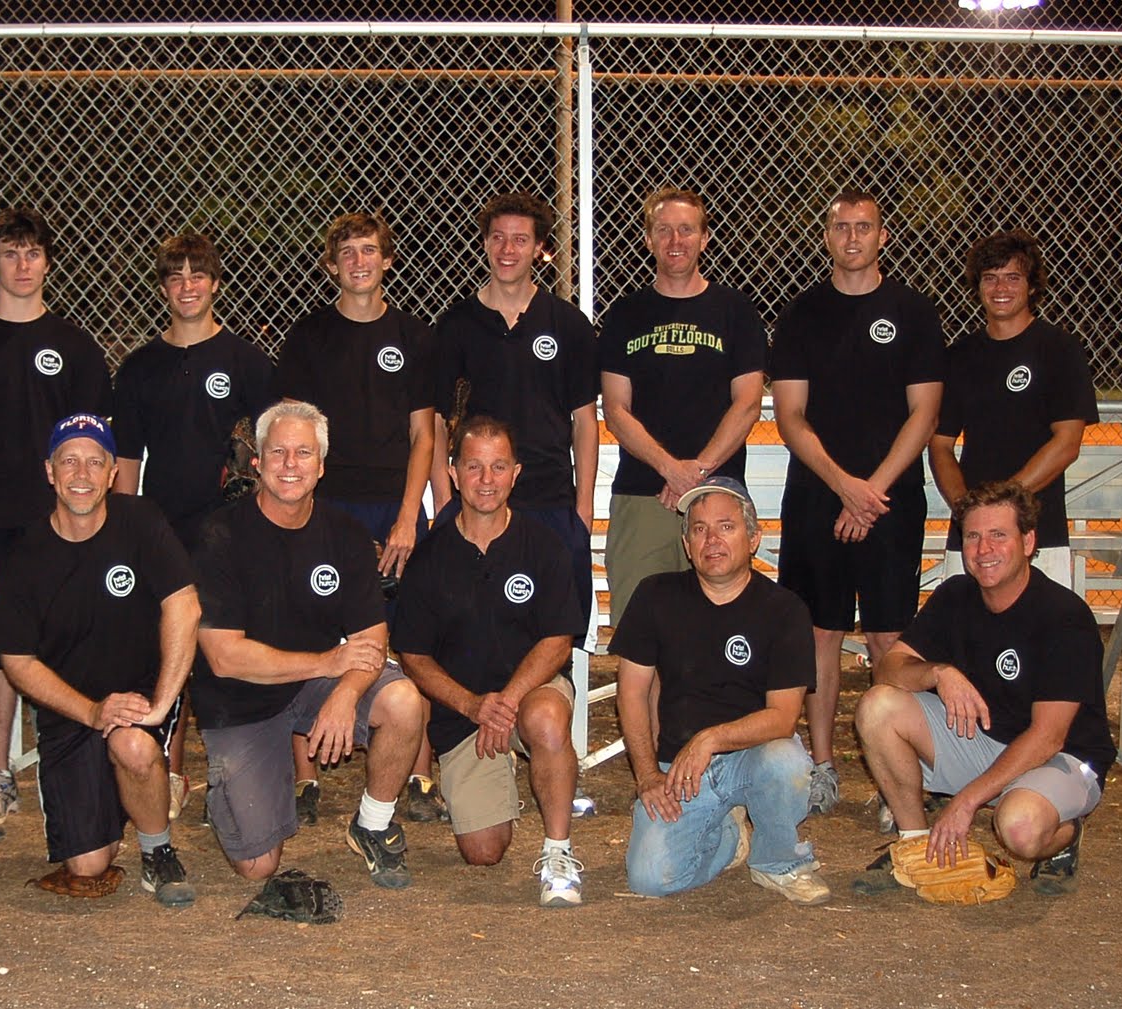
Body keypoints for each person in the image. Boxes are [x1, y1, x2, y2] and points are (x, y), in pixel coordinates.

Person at [192, 401, 426, 889]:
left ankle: (373, 825)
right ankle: (228, 785)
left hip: (317, 684)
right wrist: (327, 662)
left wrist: (343, 693)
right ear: (256, 462)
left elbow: (370, 639)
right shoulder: (219, 534)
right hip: (242, 701)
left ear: (321, 465)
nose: (290, 464)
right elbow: (223, 655)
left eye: (303, 453)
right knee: (259, 866)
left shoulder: (345, 534)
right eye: (278, 452)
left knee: (403, 700)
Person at [770, 190, 945, 814]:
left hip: (892, 501)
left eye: (863, 227)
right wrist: (845, 485)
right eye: (840, 227)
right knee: (819, 631)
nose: (851, 238)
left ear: (882, 236)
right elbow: (790, 416)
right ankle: (821, 768)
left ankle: (890, 770)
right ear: (826, 236)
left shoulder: (913, 312)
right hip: (819, 498)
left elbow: (923, 414)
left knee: (888, 636)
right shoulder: (802, 314)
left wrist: (872, 492)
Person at [854, 481, 1114, 896]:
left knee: (1020, 829)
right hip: (985, 739)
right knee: (878, 707)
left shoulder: (1063, 616)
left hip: (1060, 757)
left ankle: (1065, 834)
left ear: (1028, 541)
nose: (983, 549)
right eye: (973, 536)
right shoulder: (956, 595)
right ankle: (917, 845)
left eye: (999, 535)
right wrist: (938, 672)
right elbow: (888, 669)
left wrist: (965, 802)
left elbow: (1047, 737)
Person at [0, 207, 112, 836]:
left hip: (58, 529)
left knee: (63, 645)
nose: (22, 265)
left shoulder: (75, 346)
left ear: (47, 262)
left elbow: (99, 452)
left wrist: (95, 522)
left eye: (32, 253)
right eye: (9, 253)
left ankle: (69, 766)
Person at [0, 414, 201, 906]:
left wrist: (160, 705)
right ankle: (121, 793)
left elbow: (184, 604)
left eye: (94, 462)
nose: (81, 475)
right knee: (88, 867)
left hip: (136, 699)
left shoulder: (142, 520)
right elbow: (16, 660)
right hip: (72, 711)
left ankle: (157, 850)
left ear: (112, 473)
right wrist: (89, 712)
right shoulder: (25, 554)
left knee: (132, 746)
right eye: (69, 462)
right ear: (49, 471)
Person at [274, 212, 443, 824]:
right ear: (331, 265)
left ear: (387, 259)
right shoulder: (309, 336)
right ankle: (305, 776)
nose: (358, 261)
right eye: (346, 252)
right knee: (312, 631)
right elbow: (293, 434)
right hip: (327, 507)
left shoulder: (415, 337)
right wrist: (307, 515)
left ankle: (419, 770)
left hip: (393, 506)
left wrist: (406, 518)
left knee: (407, 634)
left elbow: (424, 436)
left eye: (369, 250)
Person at [112, 233, 274, 821]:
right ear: (162, 288)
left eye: (197, 275)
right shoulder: (140, 368)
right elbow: (126, 463)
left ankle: (234, 772)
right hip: (164, 531)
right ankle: (173, 772)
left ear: (215, 283)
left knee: (229, 654)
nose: (187, 285)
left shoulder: (247, 363)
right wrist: (123, 536)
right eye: (175, 276)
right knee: (171, 653)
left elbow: (272, 451)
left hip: (232, 534)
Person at [394, 416, 587, 905]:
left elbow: (559, 641)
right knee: (483, 852)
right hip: (464, 712)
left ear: (516, 473)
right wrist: (473, 706)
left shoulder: (544, 547)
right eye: (474, 466)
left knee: (545, 719)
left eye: (498, 467)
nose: (486, 479)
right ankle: (510, 776)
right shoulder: (430, 556)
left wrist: (507, 701)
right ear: (454, 472)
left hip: (530, 692)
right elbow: (413, 656)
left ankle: (558, 851)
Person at [612, 477, 829, 905]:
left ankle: (779, 862)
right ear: (687, 544)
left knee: (787, 760)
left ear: (753, 537)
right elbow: (631, 694)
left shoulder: (785, 610)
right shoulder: (655, 596)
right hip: (678, 768)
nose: (712, 539)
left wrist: (709, 739)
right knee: (650, 880)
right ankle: (730, 835)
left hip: (752, 757)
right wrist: (647, 776)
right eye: (699, 529)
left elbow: (783, 716)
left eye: (726, 527)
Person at [430, 192, 599, 629]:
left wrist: (582, 509)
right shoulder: (457, 325)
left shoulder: (567, 323)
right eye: (499, 238)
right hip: (479, 498)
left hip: (549, 496)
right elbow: (433, 421)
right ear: (485, 243)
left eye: (520, 240)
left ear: (539, 248)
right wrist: (446, 501)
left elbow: (584, 421)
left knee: (555, 629)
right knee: (471, 625)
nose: (508, 250)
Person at [599, 188, 765, 627]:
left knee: (717, 632)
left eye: (686, 230)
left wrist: (697, 473)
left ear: (704, 238)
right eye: (664, 230)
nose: (675, 240)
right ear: (648, 239)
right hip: (643, 492)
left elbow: (748, 404)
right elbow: (616, 409)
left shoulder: (735, 311)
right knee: (642, 633)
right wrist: (670, 468)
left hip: (717, 491)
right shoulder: (625, 314)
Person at [930, 229, 1099, 589]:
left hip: (1038, 528)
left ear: (1032, 286)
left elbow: (1067, 442)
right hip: (972, 533)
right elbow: (940, 444)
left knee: (1040, 637)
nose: (1000, 288)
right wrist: (968, 508)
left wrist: (1004, 504)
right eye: (990, 278)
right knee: (965, 636)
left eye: (1012, 277)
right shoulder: (960, 356)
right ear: (977, 286)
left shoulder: (1060, 350)